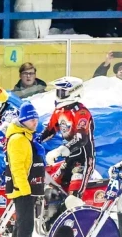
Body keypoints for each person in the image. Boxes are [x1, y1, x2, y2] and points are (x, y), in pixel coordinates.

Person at [39, 77, 95, 206]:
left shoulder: (81, 112)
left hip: (83, 160)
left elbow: (81, 138)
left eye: (62, 92)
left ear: (74, 92)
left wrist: (60, 150)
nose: (58, 95)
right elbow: (49, 130)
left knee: (72, 200)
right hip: (68, 159)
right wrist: (33, 142)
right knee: (49, 190)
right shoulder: (59, 111)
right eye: (58, 91)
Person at [5, 100, 46, 237]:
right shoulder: (18, 139)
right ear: (22, 120)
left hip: (25, 189)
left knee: (20, 226)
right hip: (23, 190)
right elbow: (17, 168)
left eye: (36, 119)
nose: (34, 122)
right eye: (31, 120)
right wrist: (25, 190)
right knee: (25, 228)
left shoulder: (25, 136)